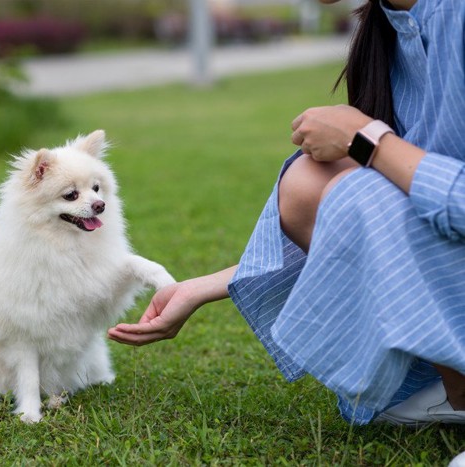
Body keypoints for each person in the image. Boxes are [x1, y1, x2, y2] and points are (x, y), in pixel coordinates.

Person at [108, 0, 465, 427]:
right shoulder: (388, 26)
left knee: (358, 190)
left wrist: (367, 139)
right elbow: (393, 213)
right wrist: (202, 287)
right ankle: (458, 394)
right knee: (309, 182)